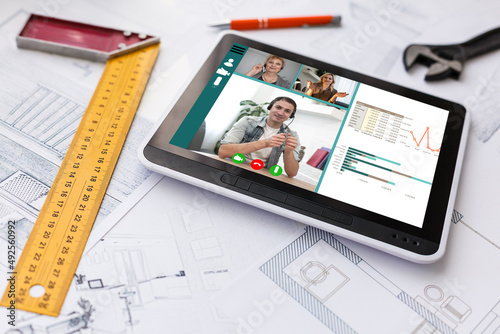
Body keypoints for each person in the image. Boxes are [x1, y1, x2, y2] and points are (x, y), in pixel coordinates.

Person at [218, 96, 300, 177]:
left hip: (260, 175)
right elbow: (223, 152)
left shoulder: (291, 135)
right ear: (270, 107)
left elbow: (292, 173)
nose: (281, 113)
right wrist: (264, 143)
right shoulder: (247, 121)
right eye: (278, 107)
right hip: (233, 167)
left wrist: (288, 152)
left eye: (287, 111)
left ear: (290, 116)